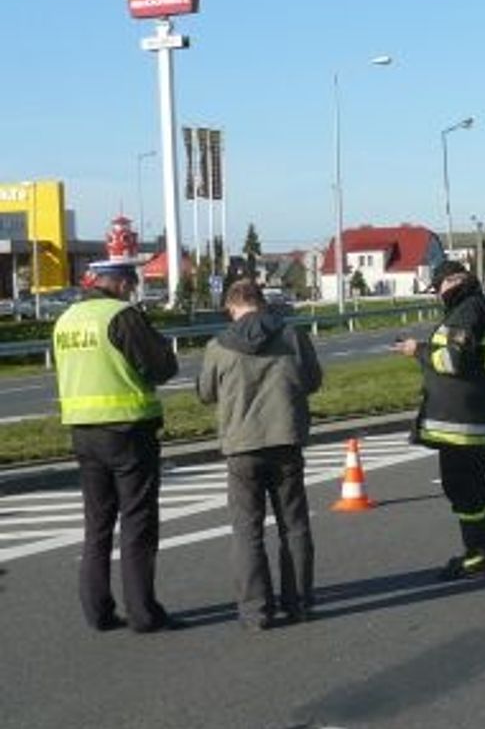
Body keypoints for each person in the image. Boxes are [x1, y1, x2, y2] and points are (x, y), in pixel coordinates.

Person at [53, 259, 180, 632]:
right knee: (137, 522)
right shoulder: (121, 316)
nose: (133, 291)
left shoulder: (67, 319)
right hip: (127, 430)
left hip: (82, 431)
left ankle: (98, 611)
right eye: (133, 284)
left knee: (97, 524)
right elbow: (161, 367)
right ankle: (143, 613)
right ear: (122, 284)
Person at [197, 279, 323, 631]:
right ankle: (299, 603)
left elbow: (205, 393)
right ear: (262, 303)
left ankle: (255, 611)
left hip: (242, 447)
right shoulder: (292, 336)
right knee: (294, 525)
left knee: (247, 531)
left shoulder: (219, 345)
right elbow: (313, 381)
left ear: (232, 307)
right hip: (285, 440)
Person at [393, 260, 485, 580]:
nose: (437, 295)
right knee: (475, 489)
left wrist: (417, 350)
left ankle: (477, 555)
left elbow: (452, 360)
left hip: (459, 422)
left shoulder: (467, 311)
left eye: (438, 288)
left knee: (463, 489)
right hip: (472, 415)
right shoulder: (483, 308)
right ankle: (483, 550)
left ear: (453, 281)